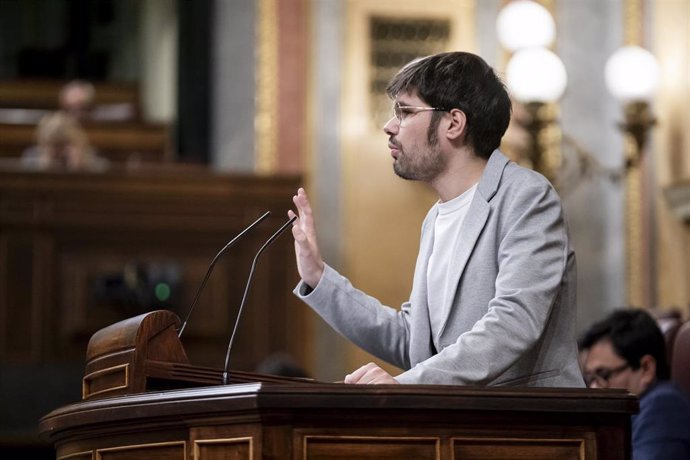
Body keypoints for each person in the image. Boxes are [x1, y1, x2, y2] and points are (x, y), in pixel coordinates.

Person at [288, 51, 583, 387]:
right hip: (456, 425)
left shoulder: (526, 196)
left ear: (454, 123)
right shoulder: (435, 218)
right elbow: (414, 341)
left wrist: (406, 386)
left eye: (405, 112)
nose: (389, 126)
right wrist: (319, 277)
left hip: (530, 428)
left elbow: (514, 322)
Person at [579, 308, 690, 459]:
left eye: (603, 374)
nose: (593, 388)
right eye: (590, 378)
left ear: (646, 369)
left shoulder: (663, 406)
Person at [21, 111, 108, 170]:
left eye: (65, 143)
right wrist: (45, 164)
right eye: (54, 144)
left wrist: (78, 165)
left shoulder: (92, 159)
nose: (60, 150)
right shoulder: (31, 158)